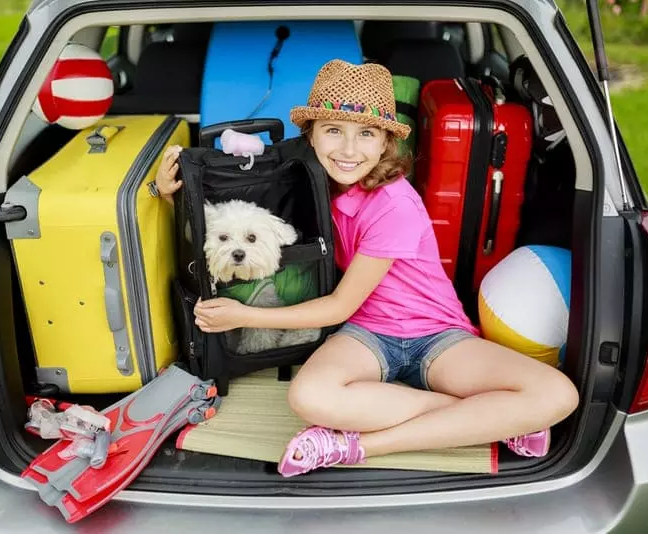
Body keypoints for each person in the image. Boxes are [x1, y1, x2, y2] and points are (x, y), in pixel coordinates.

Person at [154, 59, 579, 478]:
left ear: (384, 145)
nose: (349, 149)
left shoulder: (395, 205)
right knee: (308, 397)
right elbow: (238, 225)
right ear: (312, 135)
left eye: (367, 134)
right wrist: (173, 196)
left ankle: (353, 446)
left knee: (558, 395)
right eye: (334, 131)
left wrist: (245, 315)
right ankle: (490, 420)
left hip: (434, 334)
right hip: (366, 333)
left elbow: (338, 305)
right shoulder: (307, 185)